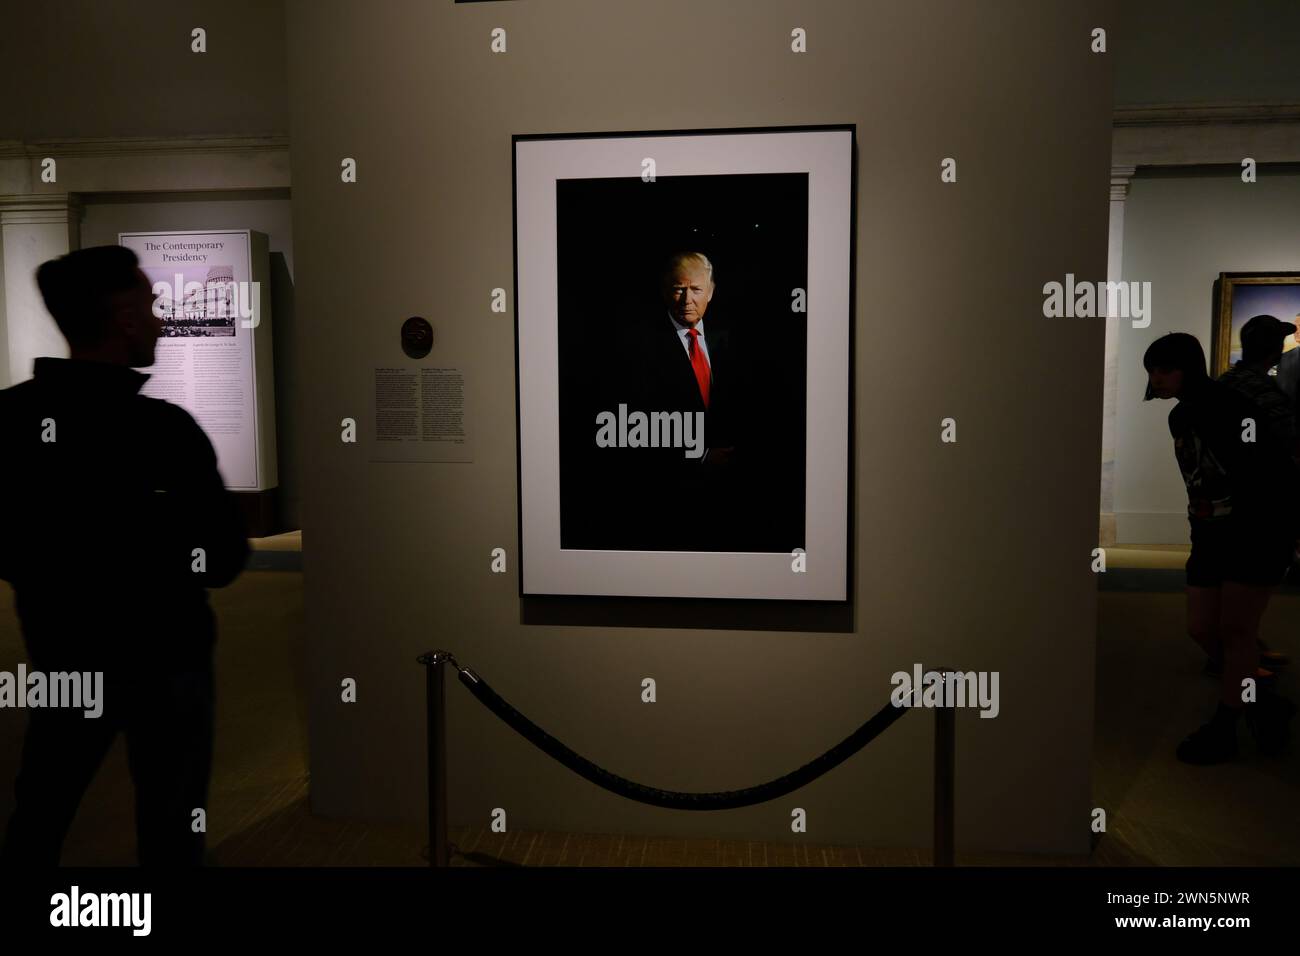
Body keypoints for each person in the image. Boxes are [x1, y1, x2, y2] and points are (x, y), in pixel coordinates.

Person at [0, 245, 249, 865]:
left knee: (41, 812)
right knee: (172, 826)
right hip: (167, 661)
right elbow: (221, 557)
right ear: (125, 319)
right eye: (151, 305)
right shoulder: (163, 430)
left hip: (62, 652)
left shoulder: (6, 419)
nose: (162, 320)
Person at [1144, 332, 1296, 764]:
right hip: (1210, 533)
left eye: (1164, 369)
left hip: (1256, 532)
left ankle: (1228, 723)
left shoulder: (1230, 407)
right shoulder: (1180, 417)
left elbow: (1267, 471)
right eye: (1152, 371)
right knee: (1201, 628)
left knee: (1236, 633)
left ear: (1187, 368)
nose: (1156, 379)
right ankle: (1263, 704)